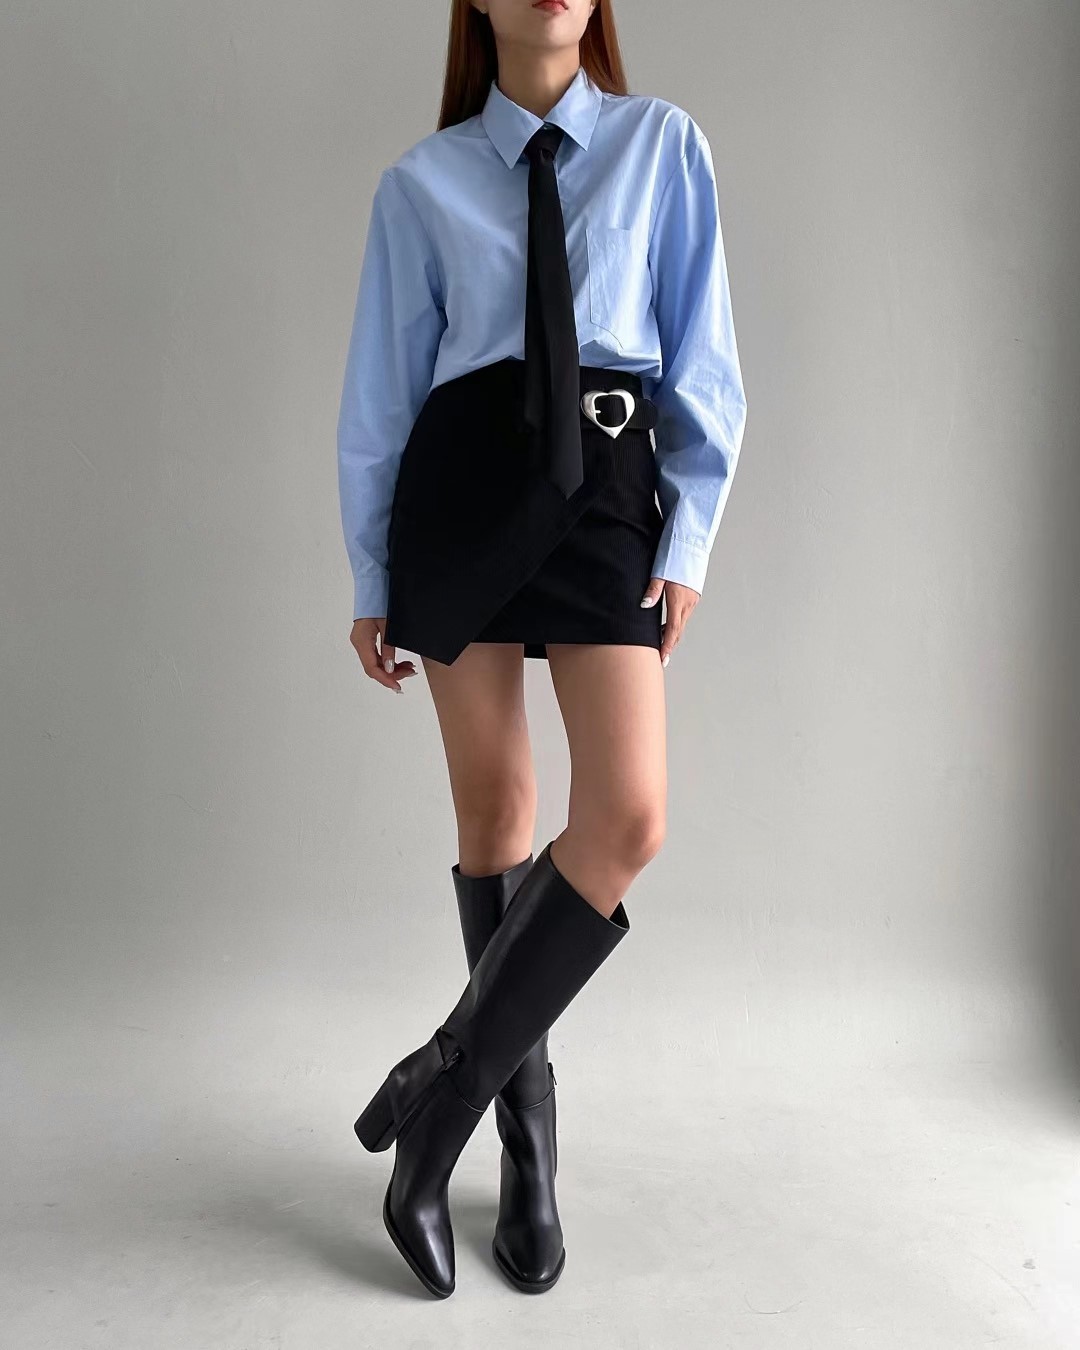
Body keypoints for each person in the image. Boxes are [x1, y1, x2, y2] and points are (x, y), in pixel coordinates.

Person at [336, 0, 747, 1300]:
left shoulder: (662, 144)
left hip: (605, 483)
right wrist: (370, 572)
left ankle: (440, 1099)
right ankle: (527, 1155)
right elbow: (382, 395)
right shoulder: (421, 183)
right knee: (498, 814)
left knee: (626, 815)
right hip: (459, 493)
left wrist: (687, 538)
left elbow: (704, 358)